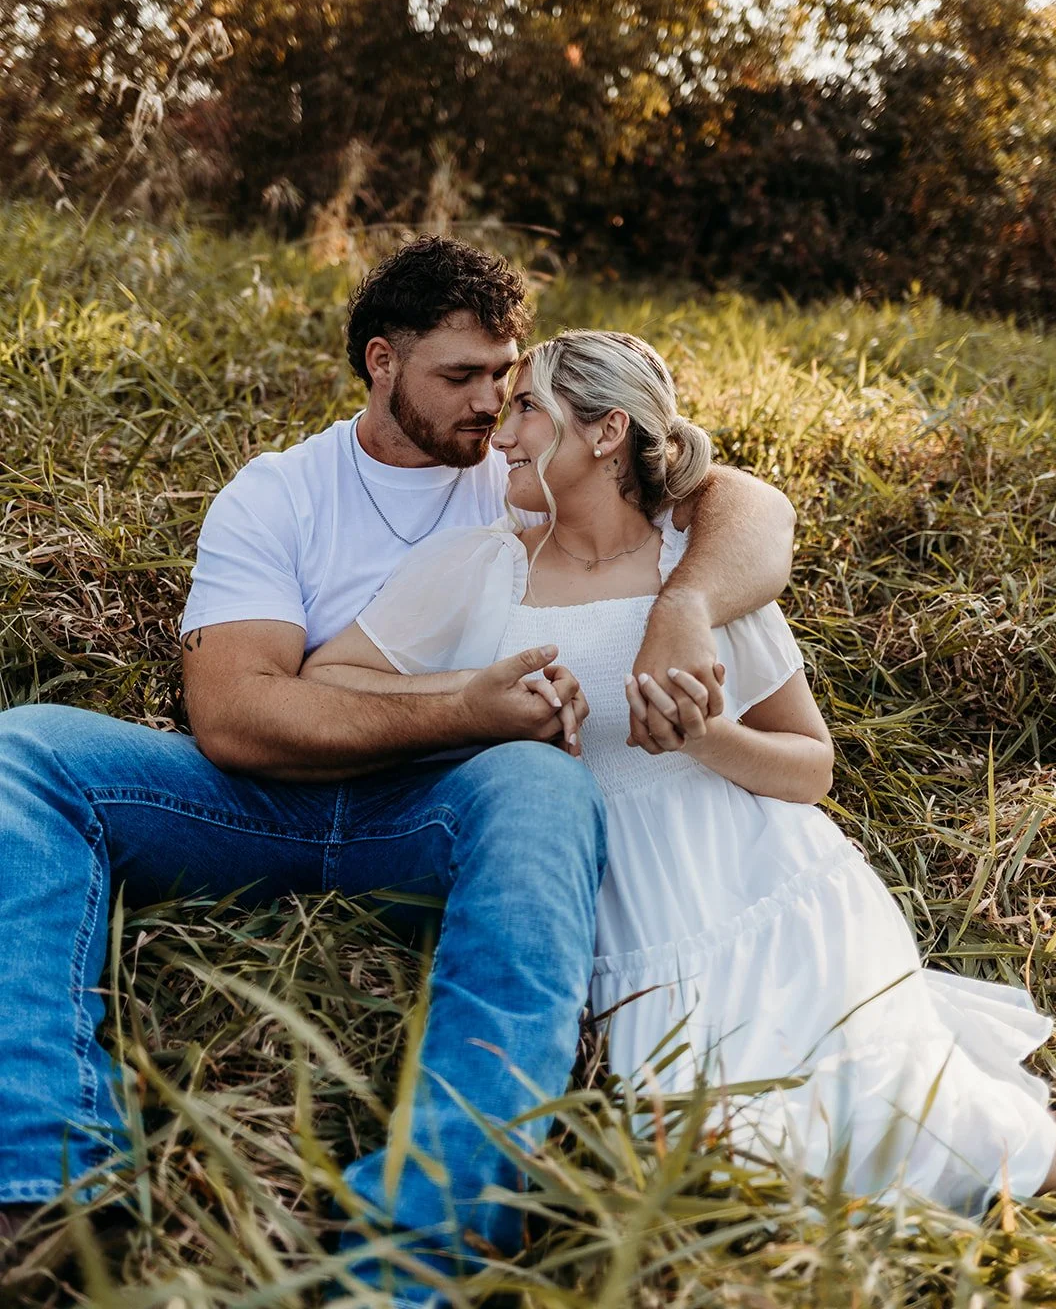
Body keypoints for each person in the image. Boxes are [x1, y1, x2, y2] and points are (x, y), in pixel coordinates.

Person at [0, 238, 796, 1291]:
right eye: (459, 376)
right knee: (31, 747)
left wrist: (682, 607)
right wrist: (460, 706)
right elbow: (235, 717)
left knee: (541, 784)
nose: (490, 407)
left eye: (507, 380)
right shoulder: (279, 494)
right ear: (381, 361)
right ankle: (43, 1175)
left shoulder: (527, 474)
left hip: (452, 810)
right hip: (260, 799)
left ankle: (418, 1239)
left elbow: (752, 507)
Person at [305, 326, 1056, 1218]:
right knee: (720, 1162)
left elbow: (809, 765)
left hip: (765, 891)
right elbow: (333, 681)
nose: (501, 435)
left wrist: (705, 736)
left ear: (603, 432)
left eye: (526, 408)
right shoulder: (481, 567)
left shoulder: (693, 578)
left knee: (944, 1136)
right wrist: (474, 701)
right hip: (611, 908)